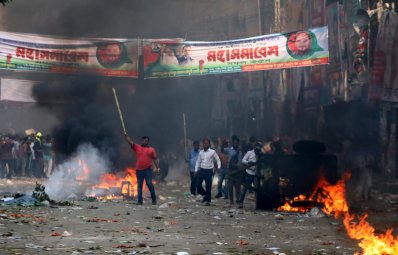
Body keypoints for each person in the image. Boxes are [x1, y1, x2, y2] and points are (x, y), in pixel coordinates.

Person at [124, 133, 160, 205]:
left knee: (149, 184)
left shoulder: (151, 150)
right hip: (139, 170)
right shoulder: (137, 147)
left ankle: (154, 200)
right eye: (143, 140)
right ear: (141, 141)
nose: (144, 142)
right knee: (139, 186)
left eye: (146, 141)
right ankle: (139, 201)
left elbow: (155, 159)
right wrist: (126, 136)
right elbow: (130, 142)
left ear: (148, 142)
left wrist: (157, 167)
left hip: (148, 170)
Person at [194, 137, 221, 206]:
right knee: (198, 185)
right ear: (203, 144)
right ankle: (205, 195)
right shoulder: (201, 152)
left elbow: (218, 159)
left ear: (209, 144)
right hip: (202, 170)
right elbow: (198, 162)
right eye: (204, 143)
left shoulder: (212, 152)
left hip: (209, 171)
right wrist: (196, 170)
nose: (205, 144)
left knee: (208, 186)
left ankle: (208, 201)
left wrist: (219, 167)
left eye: (207, 143)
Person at [238, 141, 257, 208]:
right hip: (249, 172)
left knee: (257, 189)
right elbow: (243, 160)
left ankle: (258, 204)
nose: (256, 147)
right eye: (255, 146)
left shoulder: (261, 154)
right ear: (253, 147)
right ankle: (240, 203)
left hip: (257, 174)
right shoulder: (250, 153)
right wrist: (249, 162)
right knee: (245, 188)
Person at [225, 136, 243, 207]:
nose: (235, 144)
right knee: (230, 186)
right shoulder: (229, 149)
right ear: (232, 143)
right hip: (230, 170)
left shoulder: (240, 151)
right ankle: (231, 200)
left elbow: (240, 161)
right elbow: (222, 149)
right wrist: (225, 142)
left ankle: (238, 199)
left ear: (238, 143)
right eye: (234, 142)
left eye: (237, 143)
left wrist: (238, 166)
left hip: (237, 170)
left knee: (238, 186)